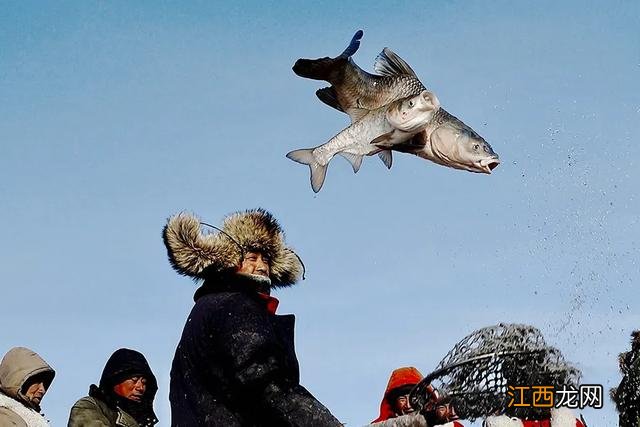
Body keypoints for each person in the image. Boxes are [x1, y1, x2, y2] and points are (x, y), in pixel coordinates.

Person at [163, 208, 342, 426]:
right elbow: (264, 380)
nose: (261, 266)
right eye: (251, 257)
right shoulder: (235, 305)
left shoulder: (209, 305)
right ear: (229, 260)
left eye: (266, 259)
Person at [68, 348, 158, 427]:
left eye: (144, 383)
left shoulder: (142, 421)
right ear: (116, 379)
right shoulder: (90, 406)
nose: (141, 387)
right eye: (134, 379)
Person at [0, 347, 55, 427]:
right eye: (37, 381)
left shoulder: (25, 417)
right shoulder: (5, 417)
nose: (42, 390)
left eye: (45, 384)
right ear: (17, 379)